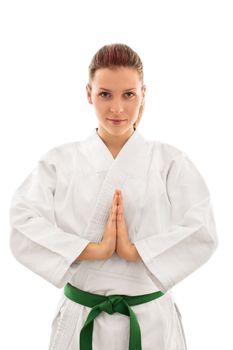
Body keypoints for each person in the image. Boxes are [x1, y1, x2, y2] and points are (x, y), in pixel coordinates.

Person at [9, 43, 218, 350]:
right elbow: (22, 222)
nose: (117, 108)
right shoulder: (59, 162)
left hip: (151, 325)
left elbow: (202, 230)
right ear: (88, 93)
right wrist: (94, 249)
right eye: (105, 94)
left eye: (128, 94)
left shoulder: (170, 162)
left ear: (143, 94)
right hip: (83, 319)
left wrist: (137, 251)